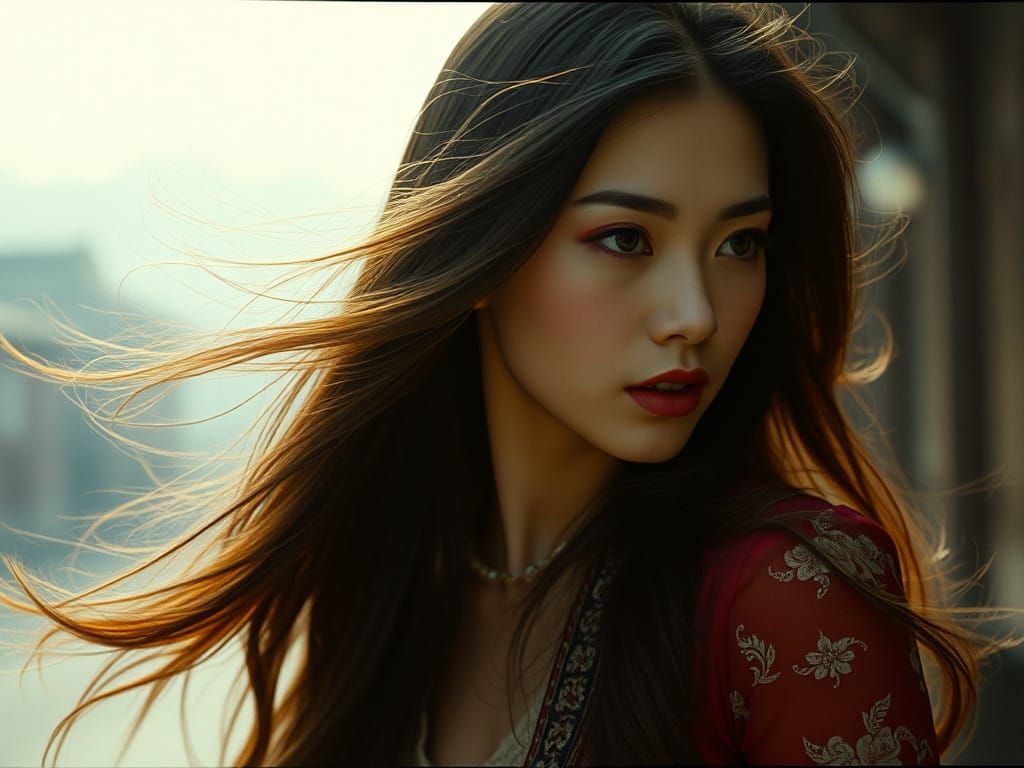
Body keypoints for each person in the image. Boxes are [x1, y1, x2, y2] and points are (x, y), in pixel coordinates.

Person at [0, 3, 1015, 765]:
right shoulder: (401, 577)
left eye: (739, 243)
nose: (695, 312)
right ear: (484, 251)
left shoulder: (791, 594)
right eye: (624, 238)